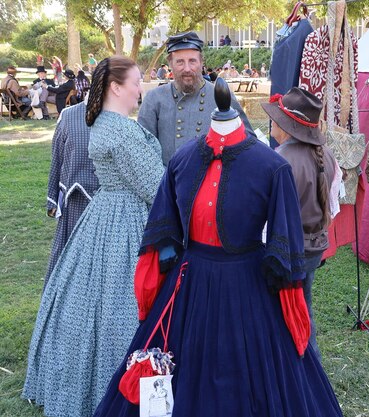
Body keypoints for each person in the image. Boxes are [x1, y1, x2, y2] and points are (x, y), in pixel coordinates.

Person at [93, 78, 343, 417]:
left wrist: (285, 297)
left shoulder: (273, 167)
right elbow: (162, 235)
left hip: (250, 286)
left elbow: (286, 245)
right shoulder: (182, 161)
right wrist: (154, 291)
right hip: (190, 284)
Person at [22, 55, 165, 417]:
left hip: (105, 214)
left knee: (92, 303)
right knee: (121, 303)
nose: (140, 89)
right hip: (125, 220)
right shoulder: (117, 131)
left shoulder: (105, 122)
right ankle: (118, 386)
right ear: (116, 87)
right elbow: (156, 187)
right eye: (136, 82)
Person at [262, 87, 337, 360]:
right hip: (313, 247)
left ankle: (304, 368)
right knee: (302, 306)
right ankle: (304, 364)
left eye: (275, 118)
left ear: (287, 125)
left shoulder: (281, 160)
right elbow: (331, 204)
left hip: (289, 251)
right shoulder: (325, 154)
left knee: (291, 312)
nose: (271, 122)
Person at [138, 31, 254, 164]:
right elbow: (142, 151)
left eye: (192, 61)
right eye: (180, 62)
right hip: (167, 182)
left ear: (201, 62)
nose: (187, 68)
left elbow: (248, 143)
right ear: (170, 64)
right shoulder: (154, 99)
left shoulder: (220, 95)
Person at [43, 100, 99, 286]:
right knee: (69, 265)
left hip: (106, 204)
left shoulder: (120, 117)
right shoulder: (69, 115)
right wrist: (52, 199)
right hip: (75, 201)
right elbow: (57, 157)